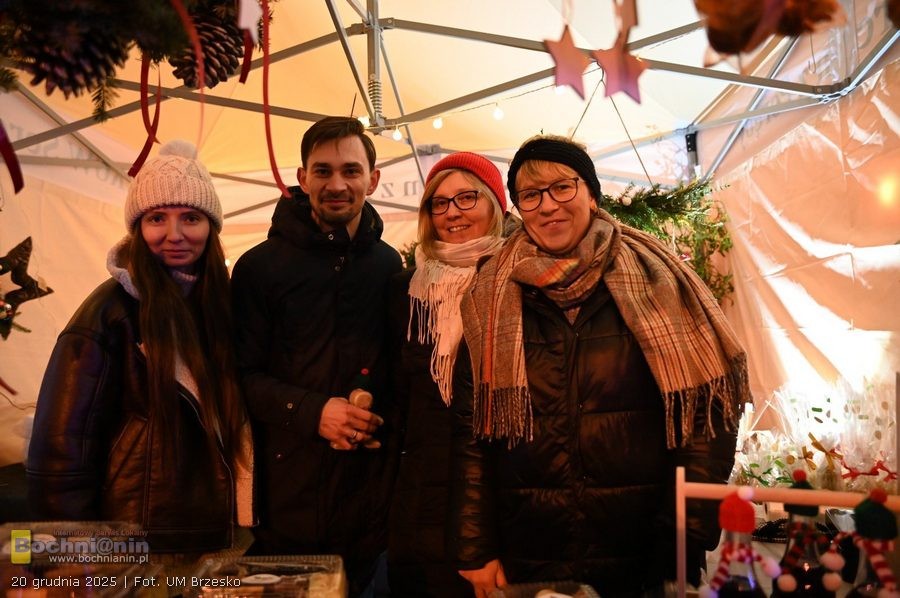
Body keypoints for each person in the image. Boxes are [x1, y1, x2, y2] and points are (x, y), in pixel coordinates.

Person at [451, 135, 747, 598]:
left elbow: (706, 422)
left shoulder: (659, 282)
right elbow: (473, 435)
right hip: (529, 549)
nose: (548, 205)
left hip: (644, 551)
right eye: (531, 195)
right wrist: (475, 548)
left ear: (591, 193)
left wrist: (684, 536)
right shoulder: (489, 295)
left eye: (562, 187)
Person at [27, 140, 252, 554]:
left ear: (211, 227)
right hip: (136, 535)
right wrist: (71, 551)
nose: (174, 235)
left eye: (190, 217)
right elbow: (61, 448)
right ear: (137, 227)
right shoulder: (109, 313)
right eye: (156, 218)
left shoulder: (223, 307)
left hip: (215, 532)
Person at [231, 116, 402, 596]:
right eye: (323, 171)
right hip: (285, 506)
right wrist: (313, 411)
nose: (337, 184)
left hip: (367, 507)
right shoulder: (259, 268)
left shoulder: (388, 266)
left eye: (351, 171)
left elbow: (394, 370)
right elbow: (239, 376)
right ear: (302, 178)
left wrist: (375, 408)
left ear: (373, 179)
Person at [387, 152, 508, 597]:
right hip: (419, 499)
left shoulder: (517, 281)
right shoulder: (407, 290)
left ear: (495, 205)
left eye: (466, 197)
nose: (452, 211)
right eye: (439, 203)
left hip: (496, 502)